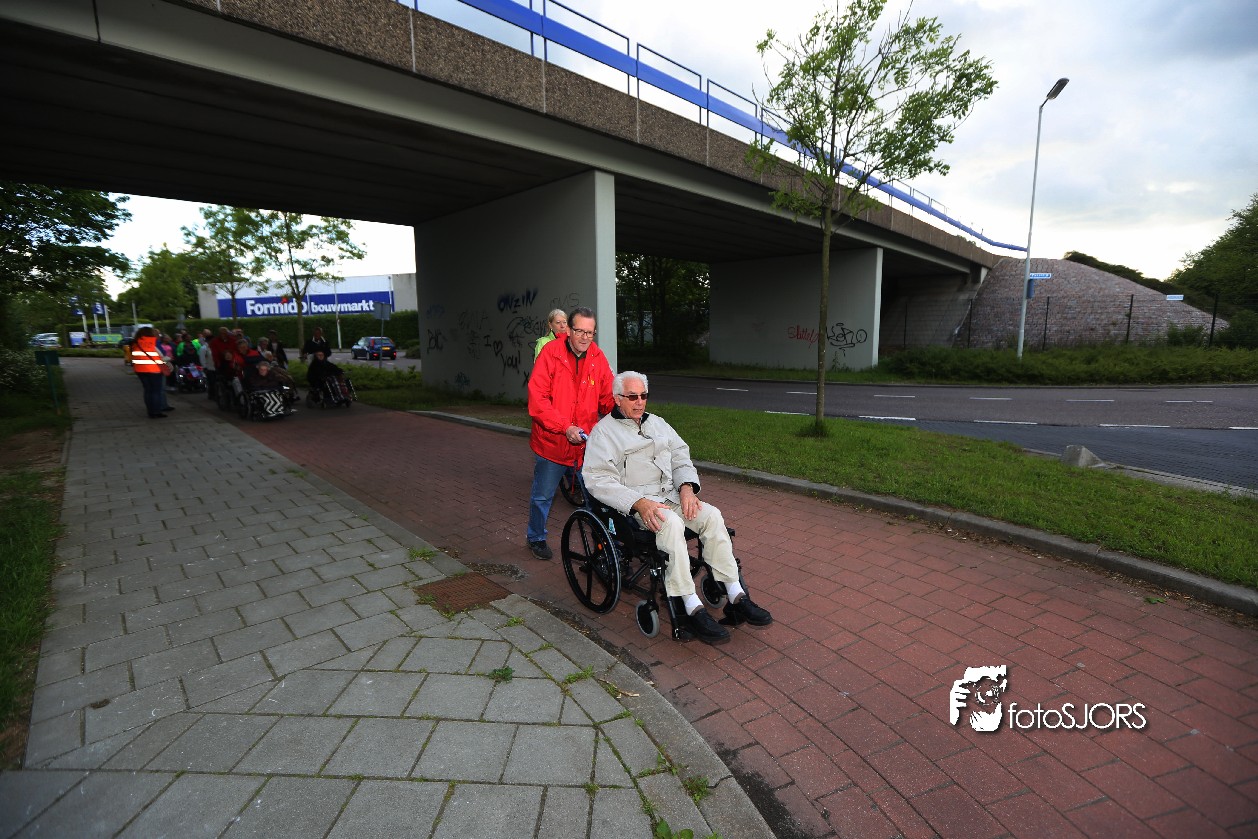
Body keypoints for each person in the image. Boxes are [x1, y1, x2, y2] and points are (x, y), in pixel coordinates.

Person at [582, 371, 772, 645]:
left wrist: (686, 487)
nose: (639, 402)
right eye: (632, 397)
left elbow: (681, 456)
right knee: (670, 522)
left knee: (711, 515)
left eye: (644, 395)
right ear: (617, 398)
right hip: (636, 507)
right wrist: (638, 503)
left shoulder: (658, 424)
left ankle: (736, 595)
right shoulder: (603, 433)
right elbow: (598, 479)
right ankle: (690, 604)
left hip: (670, 495)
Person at [526, 306, 614, 560]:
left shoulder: (597, 357)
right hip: (552, 443)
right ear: (568, 330)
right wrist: (565, 427)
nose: (585, 337)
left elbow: (607, 398)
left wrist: (626, 407)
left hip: (585, 446)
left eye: (590, 332)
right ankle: (536, 537)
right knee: (542, 497)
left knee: (596, 498)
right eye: (579, 331)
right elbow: (538, 400)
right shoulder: (550, 353)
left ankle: (602, 548)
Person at [130, 326, 169, 419]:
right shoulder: (152, 342)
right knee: (156, 392)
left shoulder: (135, 343)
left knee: (147, 391)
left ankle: (150, 412)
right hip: (154, 370)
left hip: (140, 370)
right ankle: (156, 411)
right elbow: (160, 355)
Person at [198, 329, 217, 400]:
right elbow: (202, 359)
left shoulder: (214, 347)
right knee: (211, 382)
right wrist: (205, 367)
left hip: (215, 367)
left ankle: (215, 394)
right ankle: (212, 395)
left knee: (215, 382)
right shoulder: (203, 348)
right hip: (209, 368)